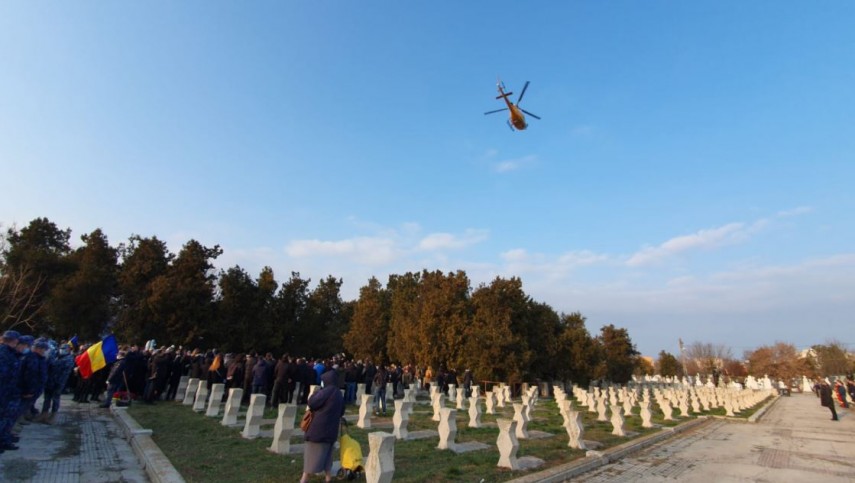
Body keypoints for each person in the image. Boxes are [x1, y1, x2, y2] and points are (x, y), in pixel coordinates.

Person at [301, 370, 345, 483]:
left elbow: (312, 402)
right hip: (331, 430)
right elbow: (342, 411)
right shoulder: (338, 393)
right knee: (327, 455)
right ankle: (328, 477)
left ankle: (304, 479)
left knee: (311, 456)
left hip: (318, 429)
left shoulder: (326, 391)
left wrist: (315, 394)